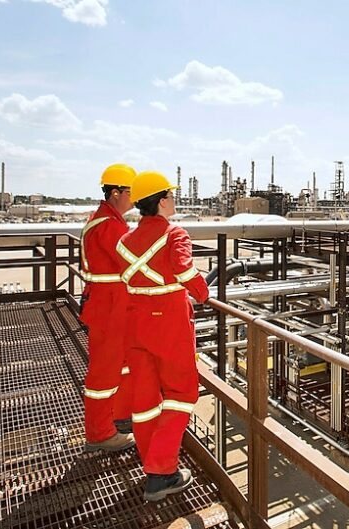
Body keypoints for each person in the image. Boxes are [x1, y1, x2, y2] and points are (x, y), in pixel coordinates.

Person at [117, 170, 209, 502]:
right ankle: (161, 472)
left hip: (136, 321)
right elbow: (185, 271)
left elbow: (124, 277)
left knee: (144, 401)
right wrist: (202, 293)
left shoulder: (124, 240)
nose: (174, 200)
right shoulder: (175, 234)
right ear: (160, 201)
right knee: (182, 393)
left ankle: (150, 462)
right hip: (168, 320)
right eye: (170, 195)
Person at [81, 163, 136, 452]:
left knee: (121, 366)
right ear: (115, 193)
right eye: (131, 192)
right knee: (104, 372)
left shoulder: (106, 220)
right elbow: (133, 264)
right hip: (109, 308)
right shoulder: (109, 226)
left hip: (112, 306)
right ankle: (100, 433)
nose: (135, 198)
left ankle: (119, 417)